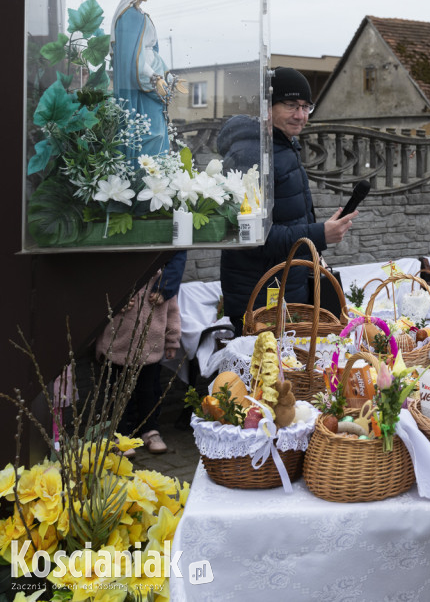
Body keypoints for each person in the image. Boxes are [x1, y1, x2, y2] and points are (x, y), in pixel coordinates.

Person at [219, 68, 358, 334]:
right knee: (266, 373)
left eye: (306, 107)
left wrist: (316, 252)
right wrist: (320, 234)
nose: (301, 115)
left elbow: (288, 217)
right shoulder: (253, 154)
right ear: (267, 107)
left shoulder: (280, 146)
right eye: (291, 105)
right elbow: (252, 237)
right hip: (260, 296)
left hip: (283, 289)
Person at [96, 252, 185, 455]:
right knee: (117, 394)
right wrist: (117, 303)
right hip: (118, 350)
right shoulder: (116, 278)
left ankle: (150, 430)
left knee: (149, 392)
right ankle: (120, 435)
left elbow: (173, 313)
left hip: (150, 350)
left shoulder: (162, 282)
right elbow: (99, 309)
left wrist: (172, 341)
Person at [111, 0, 178, 155]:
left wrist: (167, 76)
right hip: (140, 87)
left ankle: (157, 175)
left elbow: (151, 53)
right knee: (152, 133)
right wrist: (154, 77)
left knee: (158, 131)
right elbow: (132, 57)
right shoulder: (129, 17)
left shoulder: (140, 15)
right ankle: (144, 176)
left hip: (151, 78)